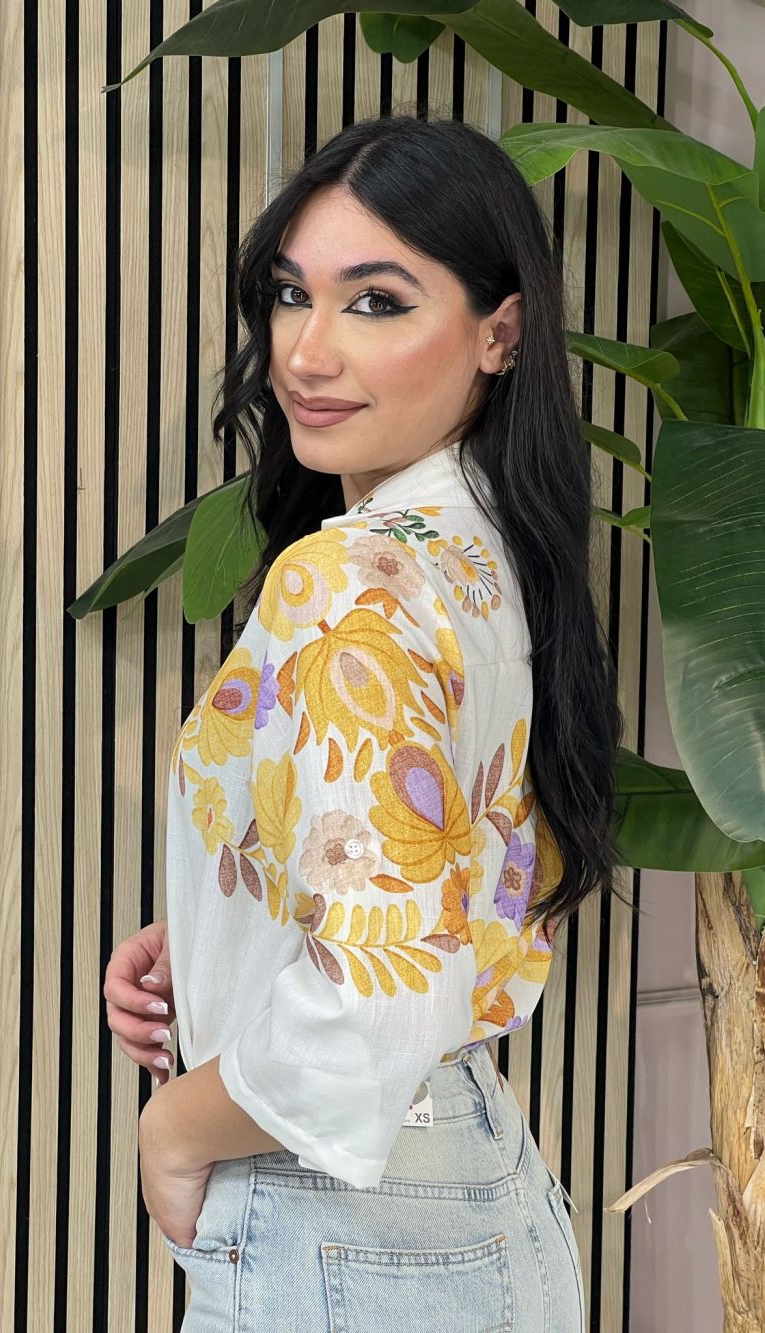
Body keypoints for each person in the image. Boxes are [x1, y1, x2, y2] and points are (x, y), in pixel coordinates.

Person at [105, 114, 625, 1330]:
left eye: (377, 302)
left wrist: (172, 1130)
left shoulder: (352, 577)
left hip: (344, 1218)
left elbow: (370, 1007)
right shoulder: (491, 550)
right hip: (478, 1194)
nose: (306, 351)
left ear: (500, 332)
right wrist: (236, 926)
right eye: (293, 293)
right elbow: (436, 880)